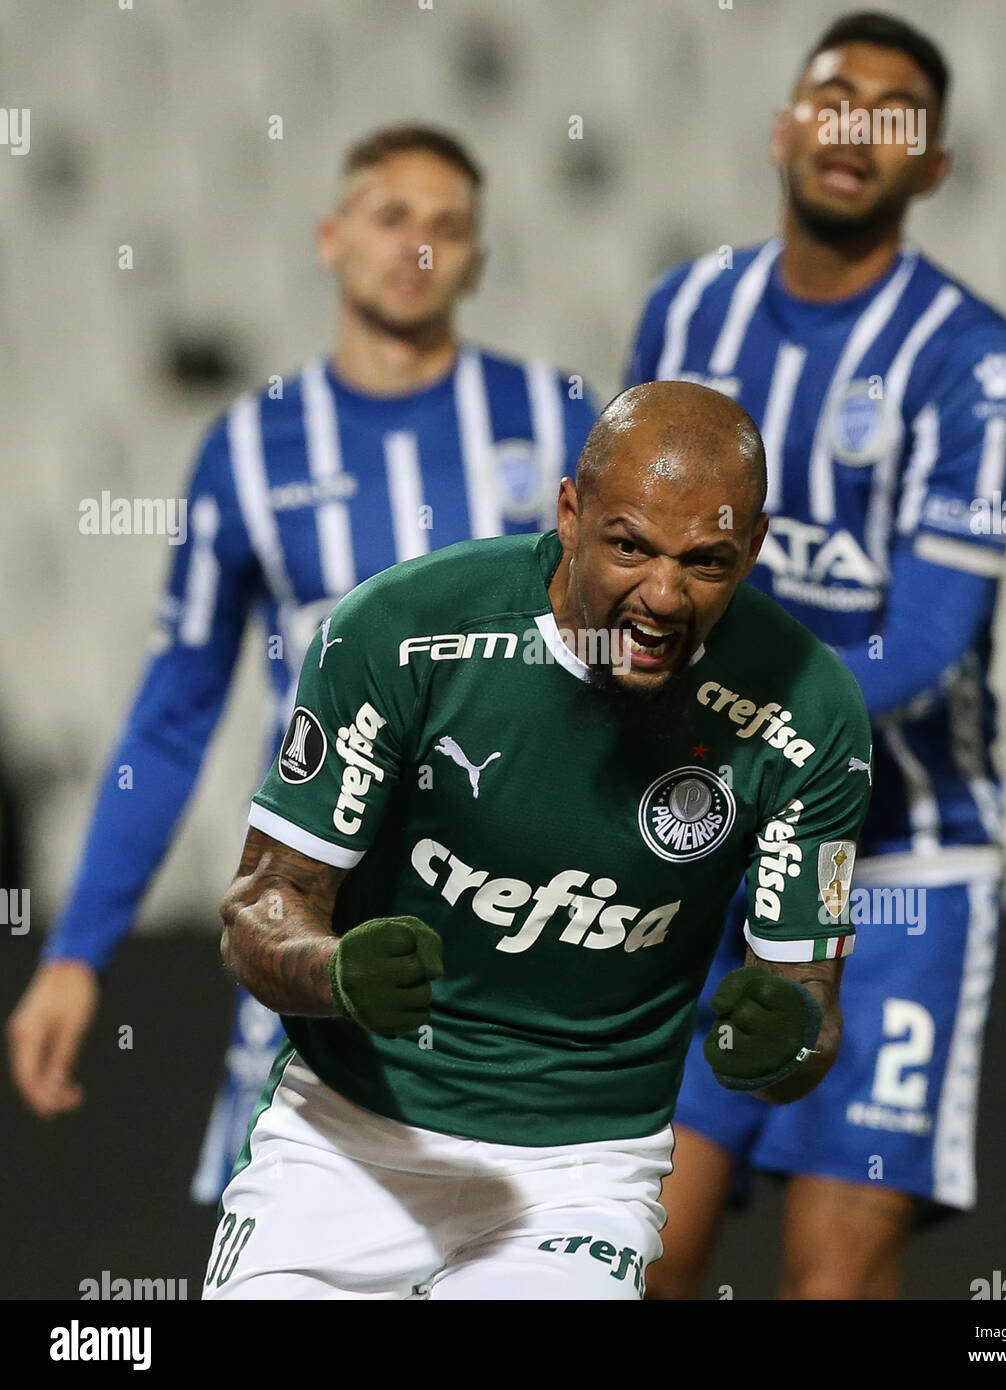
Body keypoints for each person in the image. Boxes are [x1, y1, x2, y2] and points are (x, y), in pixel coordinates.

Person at [6, 124, 596, 1204]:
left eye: (448, 226)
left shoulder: (560, 425)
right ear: (331, 238)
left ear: (476, 259)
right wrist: (78, 954)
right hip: (307, 924)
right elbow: (174, 716)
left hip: (524, 934)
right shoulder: (248, 447)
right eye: (391, 217)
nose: (417, 246)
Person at [202, 380, 872, 1300]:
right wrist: (335, 972)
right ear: (569, 512)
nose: (663, 596)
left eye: (707, 562)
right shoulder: (399, 632)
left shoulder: (812, 714)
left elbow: (810, 1007)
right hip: (347, 1140)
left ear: (754, 548)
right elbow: (259, 908)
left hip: (580, 1176)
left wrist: (790, 1041)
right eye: (629, 547)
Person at [627, 12, 1006, 1299]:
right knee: (639, 1251)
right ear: (784, 127)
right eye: (834, 95)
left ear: (933, 166)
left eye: (896, 111)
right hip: (702, 852)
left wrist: (708, 702)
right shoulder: (688, 309)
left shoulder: (971, 366)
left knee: (832, 1272)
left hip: (900, 871)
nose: (857, 125)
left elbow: (920, 644)